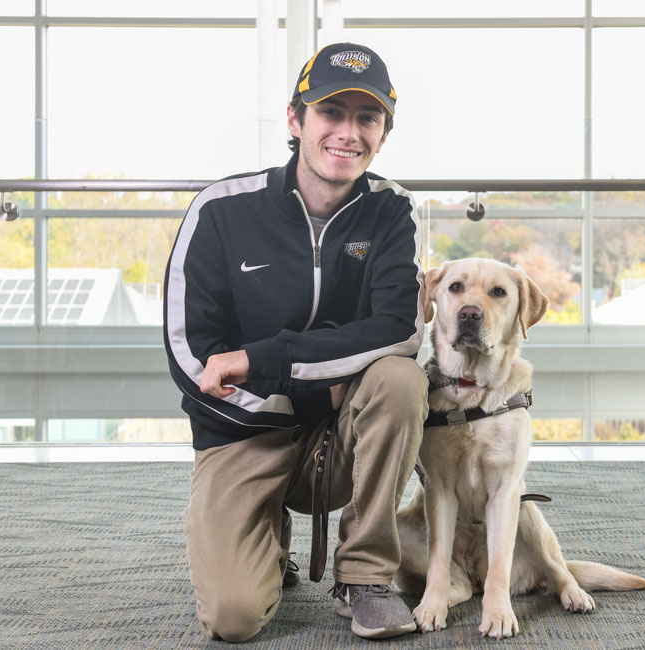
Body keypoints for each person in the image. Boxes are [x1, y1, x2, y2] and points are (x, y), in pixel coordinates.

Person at [162, 42, 428, 642]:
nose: (348, 132)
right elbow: (189, 355)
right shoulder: (222, 210)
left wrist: (262, 359)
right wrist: (306, 391)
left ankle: (363, 577)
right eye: (332, 113)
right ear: (295, 119)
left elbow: (398, 329)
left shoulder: (392, 210)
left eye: (368, 118)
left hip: (340, 434)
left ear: (383, 133)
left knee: (400, 381)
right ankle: (262, 539)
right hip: (243, 432)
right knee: (233, 619)